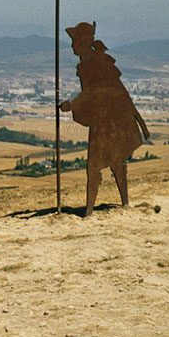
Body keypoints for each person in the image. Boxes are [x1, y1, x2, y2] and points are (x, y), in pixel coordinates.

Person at [59, 22, 149, 216]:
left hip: (111, 119)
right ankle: (104, 207)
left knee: (100, 163)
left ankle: (93, 211)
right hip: (102, 118)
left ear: (82, 42)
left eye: (74, 41)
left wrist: (73, 104)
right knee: (109, 162)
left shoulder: (97, 62)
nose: (72, 46)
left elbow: (97, 90)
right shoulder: (87, 64)